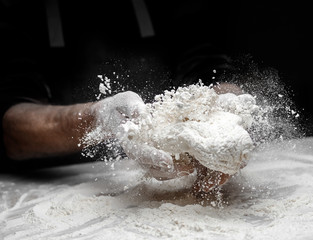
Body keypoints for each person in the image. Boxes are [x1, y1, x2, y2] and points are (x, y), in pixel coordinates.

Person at [0, 0, 242, 192]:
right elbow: (12, 127)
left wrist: (225, 115)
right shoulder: (20, 9)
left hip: (180, 177)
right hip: (50, 184)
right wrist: (98, 118)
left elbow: (210, 68)